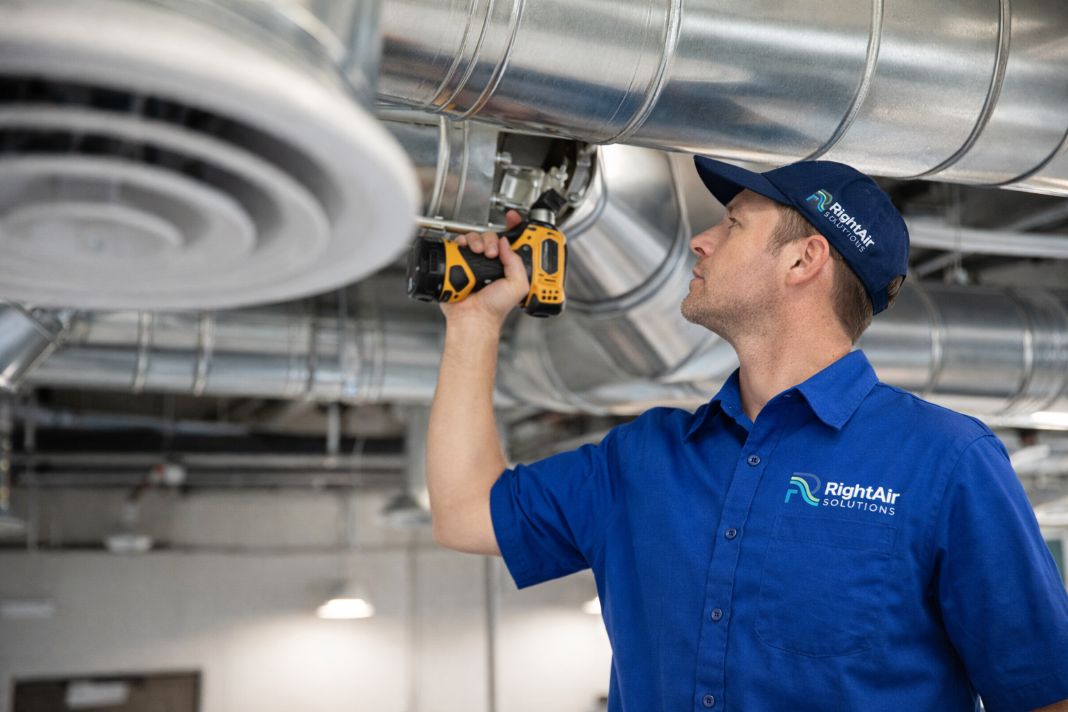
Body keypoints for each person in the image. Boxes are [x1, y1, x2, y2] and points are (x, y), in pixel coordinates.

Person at [426, 156, 1068, 712]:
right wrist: (474, 325)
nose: (701, 241)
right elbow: (463, 514)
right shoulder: (644, 459)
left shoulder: (946, 462)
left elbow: (1044, 693)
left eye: (733, 223)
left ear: (802, 259)